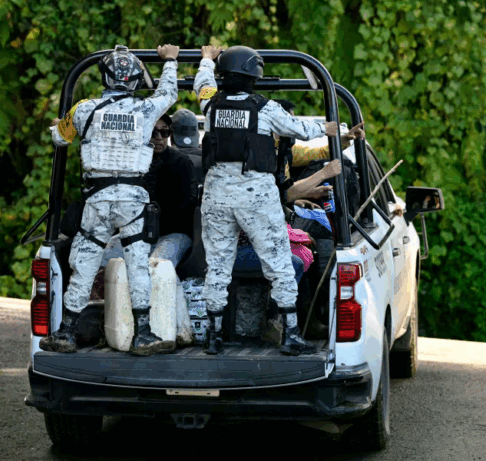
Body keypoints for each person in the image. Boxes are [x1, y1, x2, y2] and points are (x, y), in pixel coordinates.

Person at [195, 45, 341, 356]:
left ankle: (213, 335)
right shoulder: (265, 108)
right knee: (278, 262)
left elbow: (201, 84)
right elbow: (300, 129)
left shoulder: (210, 104)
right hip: (255, 196)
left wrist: (206, 59)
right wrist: (327, 128)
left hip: (217, 195)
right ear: (254, 74)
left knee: (218, 266)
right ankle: (289, 334)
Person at [40, 44, 180, 356]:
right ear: (134, 80)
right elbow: (169, 93)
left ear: (105, 77)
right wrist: (169, 61)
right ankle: (143, 333)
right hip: (133, 201)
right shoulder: (146, 110)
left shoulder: (83, 109)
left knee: (85, 266)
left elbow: (59, 138)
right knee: (138, 266)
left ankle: (66, 332)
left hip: (97, 201)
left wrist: (59, 126)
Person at [100, 114, 197, 269]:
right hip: (136, 233)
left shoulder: (182, 162)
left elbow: (188, 205)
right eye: (153, 133)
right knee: (103, 259)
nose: (159, 138)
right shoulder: (131, 163)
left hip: (172, 234)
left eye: (165, 132)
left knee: (158, 267)